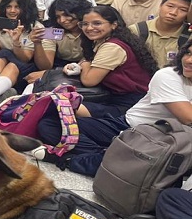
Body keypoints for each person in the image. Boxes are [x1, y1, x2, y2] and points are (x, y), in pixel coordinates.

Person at [34, 38, 192, 178]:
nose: (189, 60)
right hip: (129, 127)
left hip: (165, 145)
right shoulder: (169, 75)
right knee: (50, 124)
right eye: (188, 53)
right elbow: (187, 117)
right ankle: (107, 157)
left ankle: (95, 159)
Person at [129, 0, 192, 68]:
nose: (173, 13)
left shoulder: (189, 35)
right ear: (160, 5)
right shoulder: (136, 30)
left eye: (183, 10)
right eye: (170, 6)